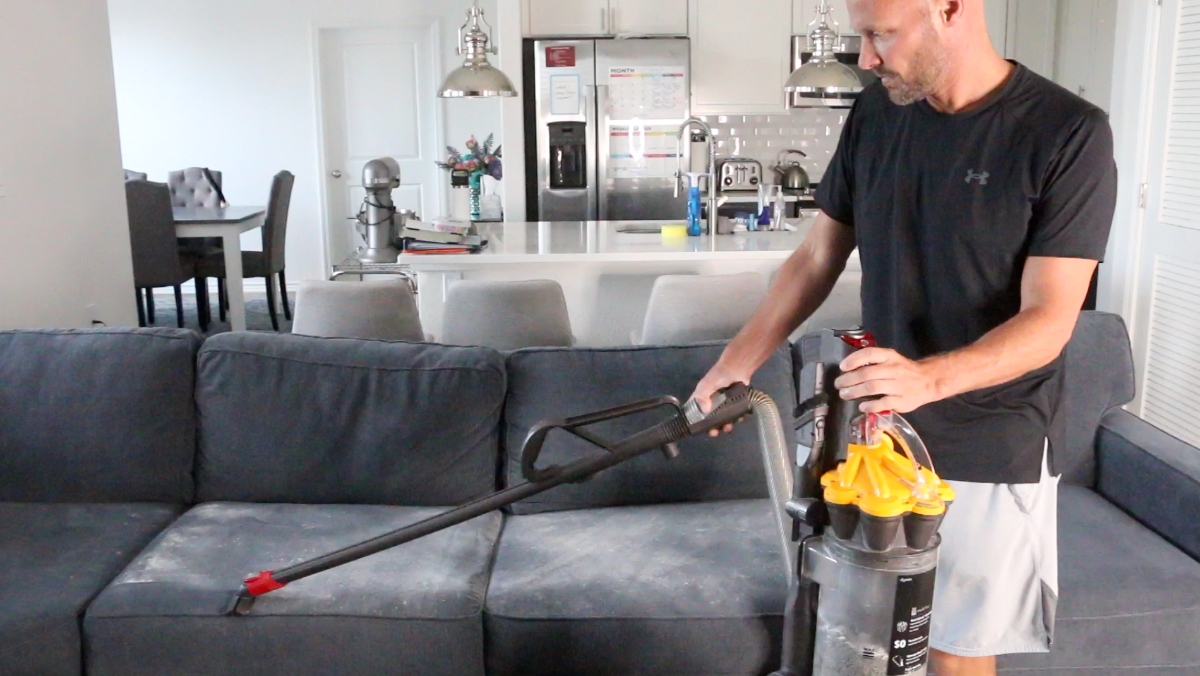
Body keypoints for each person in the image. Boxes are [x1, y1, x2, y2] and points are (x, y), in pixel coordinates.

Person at [690, 0, 1117, 674]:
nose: (866, 58)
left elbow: (1049, 321)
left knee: (951, 652)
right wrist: (734, 364)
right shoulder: (877, 113)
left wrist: (928, 378)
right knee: (857, 636)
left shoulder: (1065, 132)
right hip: (875, 432)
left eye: (880, 35)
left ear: (950, 9)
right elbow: (816, 258)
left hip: (989, 436)